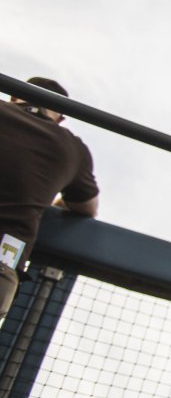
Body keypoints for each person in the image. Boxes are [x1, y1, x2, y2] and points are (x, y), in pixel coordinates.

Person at [0, 77, 99, 318]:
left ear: (14, 96)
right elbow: (88, 207)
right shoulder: (72, 147)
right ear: (61, 117)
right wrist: (57, 203)